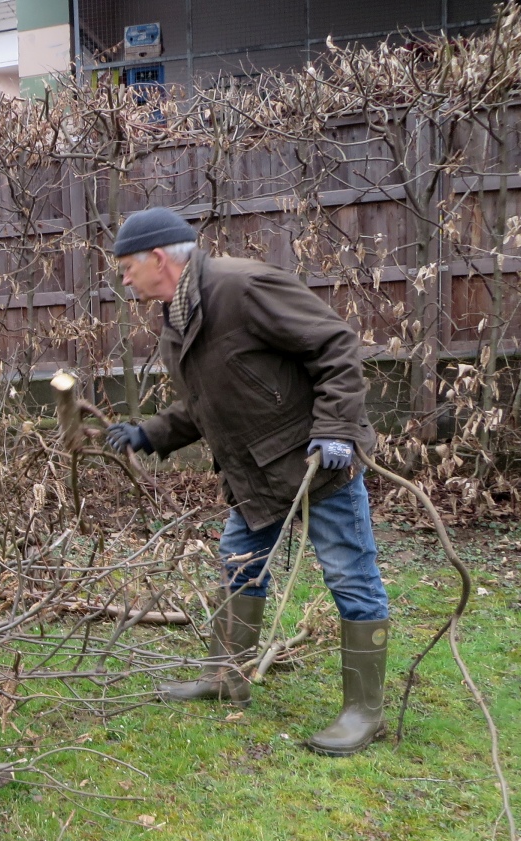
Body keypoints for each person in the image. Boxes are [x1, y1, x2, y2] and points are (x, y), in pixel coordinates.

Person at [104, 207, 390, 757]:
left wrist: (335, 432)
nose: (122, 279)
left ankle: (364, 713)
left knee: (350, 578)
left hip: (317, 468)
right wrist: (151, 432)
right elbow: (203, 405)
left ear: (158, 259)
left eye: (125, 267)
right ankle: (226, 677)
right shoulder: (178, 318)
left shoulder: (243, 287)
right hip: (256, 479)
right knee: (239, 565)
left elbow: (337, 345)